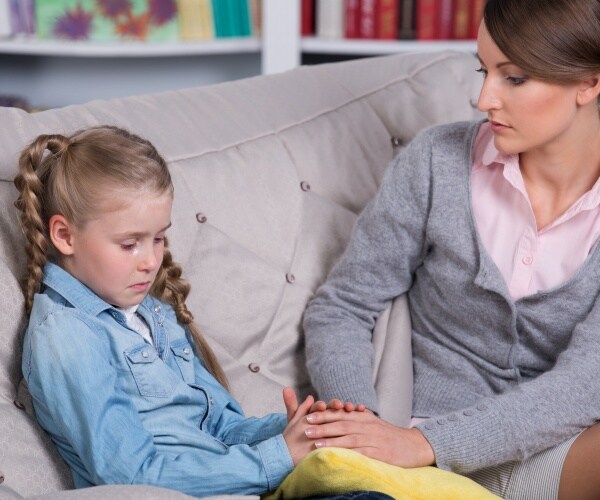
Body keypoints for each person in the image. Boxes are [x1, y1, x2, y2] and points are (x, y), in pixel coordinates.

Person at [302, 0, 600, 498]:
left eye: (515, 78)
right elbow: (342, 307)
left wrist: (428, 443)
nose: (483, 99)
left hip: (545, 453)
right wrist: (363, 431)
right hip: (411, 454)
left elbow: (585, 383)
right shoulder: (436, 161)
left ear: (590, 82)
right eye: (484, 71)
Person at [14, 125, 384, 499]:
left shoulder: (154, 314)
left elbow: (220, 429)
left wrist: (301, 430)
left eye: (159, 239)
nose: (151, 261)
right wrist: (278, 457)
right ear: (64, 235)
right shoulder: (67, 335)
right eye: (130, 244)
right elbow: (131, 473)